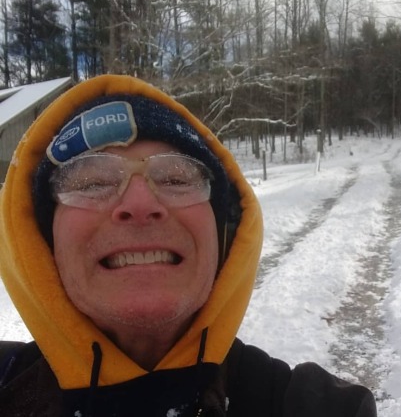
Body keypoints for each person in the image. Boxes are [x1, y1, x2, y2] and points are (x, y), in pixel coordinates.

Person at [0, 74, 377, 416]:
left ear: (223, 234)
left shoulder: (318, 407)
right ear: (42, 243)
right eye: (92, 183)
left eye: (177, 179)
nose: (140, 205)